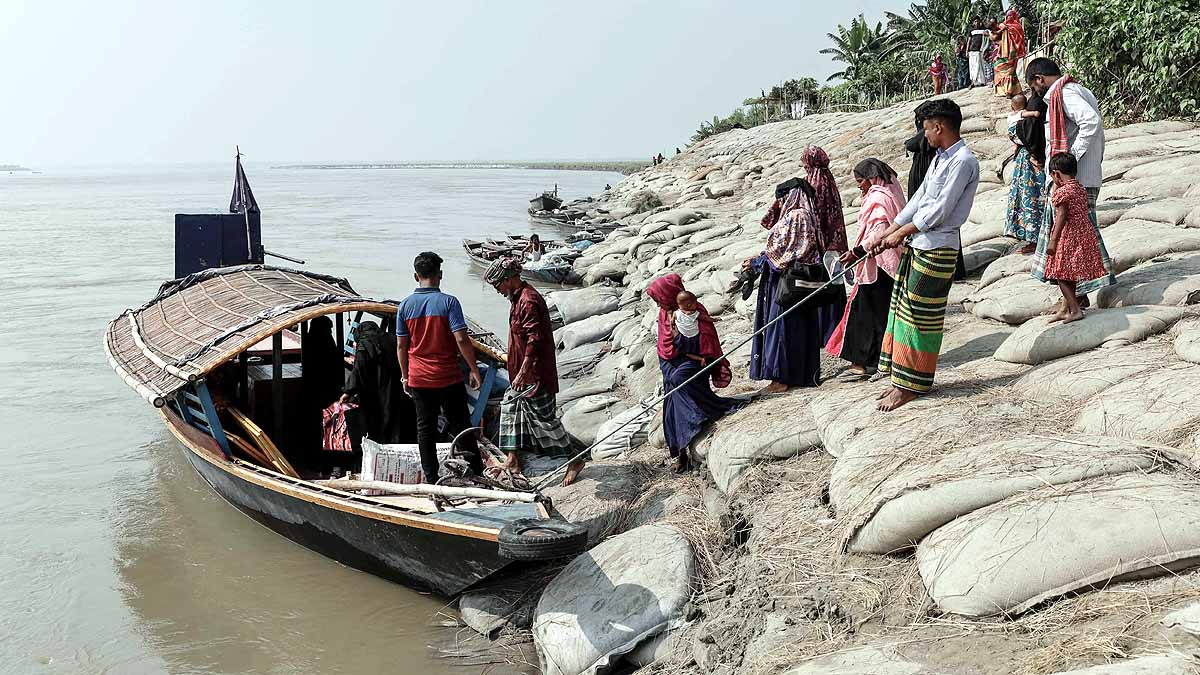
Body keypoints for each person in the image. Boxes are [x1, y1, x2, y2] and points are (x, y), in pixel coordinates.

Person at [869, 99, 979, 412]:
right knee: (903, 312)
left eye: (927, 128)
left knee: (920, 318)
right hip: (920, 244)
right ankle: (901, 380)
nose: (925, 134)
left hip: (938, 248)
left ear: (939, 127)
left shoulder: (963, 161)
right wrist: (890, 230)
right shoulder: (940, 158)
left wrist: (899, 234)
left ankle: (911, 386)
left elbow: (940, 210)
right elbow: (919, 199)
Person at [484, 256, 583, 485]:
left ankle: (575, 459)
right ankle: (512, 459)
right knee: (510, 407)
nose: (497, 290)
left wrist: (523, 372)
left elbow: (534, 340)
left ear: (508, 279)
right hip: (522, 371)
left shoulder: (528, 300)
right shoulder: (516, 298)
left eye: (497, 285)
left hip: (535, 374)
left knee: (545, 420)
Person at [1026, 58, 1115, 305]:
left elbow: (1091, 122)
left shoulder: (1064, 94)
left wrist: (1069, 159)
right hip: (1081, 177)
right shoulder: (1076, 90)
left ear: (1039, 79)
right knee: (1073, 236)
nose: (1035, 91)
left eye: (1033, 86)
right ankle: (1075, 296)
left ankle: (1077, 297)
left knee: (1071, 239)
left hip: (1076, 179)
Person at [395, 251, 484, 483]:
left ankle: (431, 476)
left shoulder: (405, 306)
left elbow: (401, 346)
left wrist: (405, 376)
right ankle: (477, 471)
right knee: (461, 424)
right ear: (440, 275)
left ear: (416, 276)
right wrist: (474, 369)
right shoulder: (449, 302)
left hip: (419, 378)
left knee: (425, 428)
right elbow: (462, 339)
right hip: (448, 377)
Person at [646, 274, 738, 473]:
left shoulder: (693, 312)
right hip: (669, 365)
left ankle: (693, 431)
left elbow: (703, 342)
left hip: (693, 363)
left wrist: (679, 334)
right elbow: (663, 345)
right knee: (671, 406)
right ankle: (679, 452)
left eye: (659, 299)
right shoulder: (664, 314)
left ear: (669, 295)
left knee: (679, 386)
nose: (658, 304)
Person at [826, 159, 907, 379]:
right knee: (881, 312)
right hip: (884, 261)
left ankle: (861, 363)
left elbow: (880, 231)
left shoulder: (879, 197)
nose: (859, 186)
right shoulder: (890, 193)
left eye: (860, 181)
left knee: (865, 312)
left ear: (872, 178)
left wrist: (857, 251)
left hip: (879, 263)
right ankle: (879, 360)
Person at [744, 180, 825, 393]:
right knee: (800, 328)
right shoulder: (807, 215)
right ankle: (801, 374)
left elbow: (785, 254)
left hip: (786, 282)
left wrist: (757, 262)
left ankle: (780, 379)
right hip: (800, 282)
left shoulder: (796, 216)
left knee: (780, 328)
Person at [1041, 153, 1108, 324]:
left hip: (1069, 235)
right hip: (1083, 233)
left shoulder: (1063, 192)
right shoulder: (1080, 188)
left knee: (1060, 274)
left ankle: (1075, 310)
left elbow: (1062, 216)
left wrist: (1053, 241)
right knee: (1069, 273)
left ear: (1056, 174)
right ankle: (1068, 310)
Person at [342, 320, 412, 447]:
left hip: (374, 392)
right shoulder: (391, 339)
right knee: (394, 420)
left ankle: (380, 448)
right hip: (395, 388)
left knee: (376, 424)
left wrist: (348, 391)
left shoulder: (364, 343)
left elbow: (359, 369)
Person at [1004, 93, 1047, 252]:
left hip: (1029, 162)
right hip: (1027, 160)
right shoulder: (1027, 115)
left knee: (1031, 197)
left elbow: (1021, 136)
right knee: (1029, 196)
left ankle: (1035, 237)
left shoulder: (1025, 118)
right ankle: (1033, 236)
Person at [993, 9, 1027, 97]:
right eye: (1008, 16)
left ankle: (1009, 91)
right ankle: (1011, 90)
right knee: (1001, 68)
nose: (1009, 17)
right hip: (1008, 52)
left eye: (1011, 15)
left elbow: (997, 32)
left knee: (1008, 71)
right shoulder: (1014, 26)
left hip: (1012, 52)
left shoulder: (1011, 26)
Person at [968, 18, 987, 87]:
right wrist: (967, 50)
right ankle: (974, 82)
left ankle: (982, 82)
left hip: (980, 50)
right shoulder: (971, 30)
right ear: (973, 22)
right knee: (973, 67)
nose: (977, 22)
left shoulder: (984, 29)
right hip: (972, 50)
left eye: (978, 21)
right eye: (975, 21)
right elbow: (969, 41)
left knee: (980, 66)